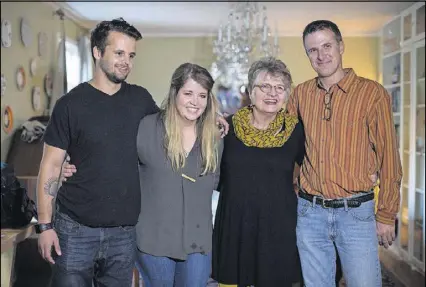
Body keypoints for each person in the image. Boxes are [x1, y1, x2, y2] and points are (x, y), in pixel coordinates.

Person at [36, 18, 228, 286]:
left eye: (131, 55)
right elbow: (51, 166)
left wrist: (213, 116)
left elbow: (176, 119)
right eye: (118, 53)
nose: (126, 61)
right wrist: (45, 226)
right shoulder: (70, 105)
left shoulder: (141, 101)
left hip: (124, 234)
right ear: (97, 52)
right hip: (76, 229)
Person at [286, 20, 403, 287]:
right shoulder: (300, 94)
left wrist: (386, 214)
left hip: (356, 214)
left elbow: (389, 159)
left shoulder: (372, 93)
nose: (321, 55)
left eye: (327, 46)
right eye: (312, 50)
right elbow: (284, 142)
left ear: (341, 46)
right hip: (310, 213)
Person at [212, 57, 305, 287]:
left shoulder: (296, 131)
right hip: (235, 225)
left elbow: (317, 168)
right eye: (265, 86)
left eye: (280, 87)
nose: (272, 93)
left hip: (278, 227)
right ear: (251, 91)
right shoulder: (226, 127)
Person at [134, 63, 223, 286]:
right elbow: (119, 168)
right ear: (175, 92)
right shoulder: (147, 127)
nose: (195, 102)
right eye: (188, 93)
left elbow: (217, 182)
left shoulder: (214, 138)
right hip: (154, 241)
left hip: (198, 242)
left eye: (202, 95)